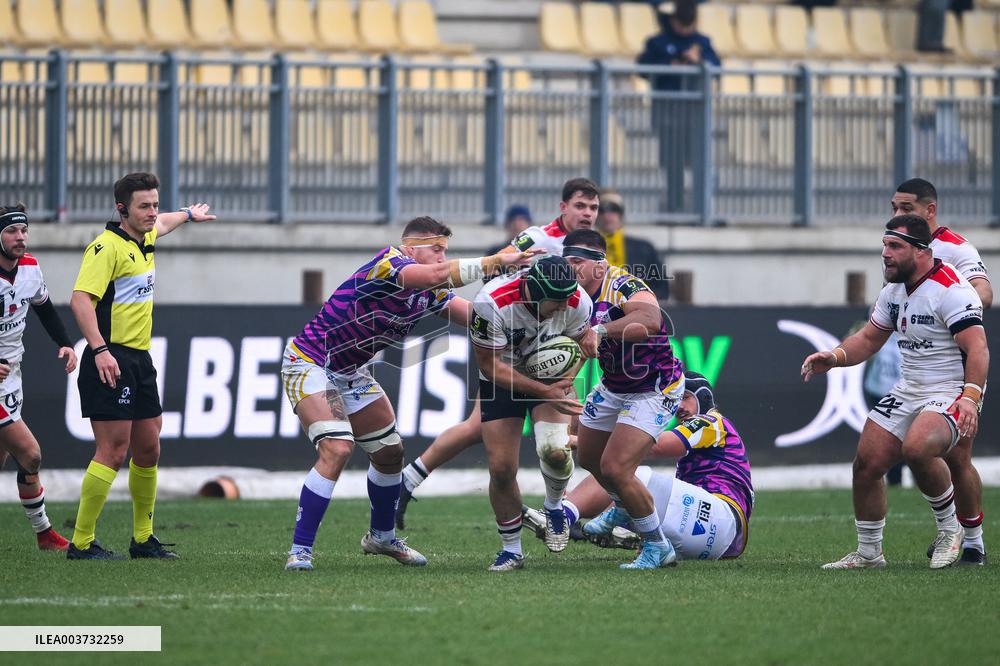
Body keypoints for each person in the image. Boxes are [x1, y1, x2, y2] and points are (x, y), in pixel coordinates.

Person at [281, 216, 538, 572]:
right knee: (337, 448)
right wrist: (494, 261)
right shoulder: (389, 263)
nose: (441, 256)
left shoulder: (429, 292)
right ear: (410, 247)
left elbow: (477, 317)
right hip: (309, 362)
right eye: (436, 248)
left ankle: (382, 537)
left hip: (349, 372)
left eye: (445, 250)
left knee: (390, 453)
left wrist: (530, 324)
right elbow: (437, 275)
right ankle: (300, 550)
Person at [397, 178, 601, 529]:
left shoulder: (589, 247)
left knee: (550, 435)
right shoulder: (538, 238)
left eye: (593, 208)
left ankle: (563, 510)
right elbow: (500, 268)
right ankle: (567, 511)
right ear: (563, 207)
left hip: (551, 337)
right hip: (513, 336)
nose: (587, 213)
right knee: (491, 430)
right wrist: (508, 309)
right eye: (580, 206)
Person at [802, 215, 988, 570]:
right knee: (867, 463)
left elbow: (978, 349)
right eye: (884, 245)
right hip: (910, 387)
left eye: (895, 246)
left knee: (917, 448)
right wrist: (836, 357)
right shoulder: (893, 291)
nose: (885, 253)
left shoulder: (952, 289)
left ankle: (951, 529)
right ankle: (869, 553)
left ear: (921, 251)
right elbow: (869, 338)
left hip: (951, 388)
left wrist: (970, 397)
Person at [68, 172, 216, 560]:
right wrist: (100, 350)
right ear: (122, 209)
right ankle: (81, 542)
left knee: (149, 448)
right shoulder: (106, 248)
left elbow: (165, 223)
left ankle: (142, 539)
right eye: (144, 206)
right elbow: (80, 300)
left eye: (154, 204)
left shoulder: (145, 236)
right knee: (113, 451)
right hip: (110, 357)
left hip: (140, 359)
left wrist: (187, 214)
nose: (152, 213)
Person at [557, 230, 685, 568]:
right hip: (614, 385)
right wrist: (566, 379)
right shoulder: (572, 295)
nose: (571, 269)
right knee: (589, 457)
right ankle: (623, 505)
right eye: (567, 262)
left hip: (654, 387)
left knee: (616, 468)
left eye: (578, 262)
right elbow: (582, 344)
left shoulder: (623, 284)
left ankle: (657, 546)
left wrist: (599, 330)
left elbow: (651, 320)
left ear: (600, 265)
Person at [528, 372, 753, 561]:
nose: (680, 407)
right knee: (627, 485)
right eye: (677, 401)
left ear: (703, 397)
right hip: (714, 541)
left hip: (720, 520)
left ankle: (563, 517)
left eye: (685, 398)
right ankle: (620, 528)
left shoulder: (712, 422)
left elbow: (656, 446)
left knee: (626, 473)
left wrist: (588, 441)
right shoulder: (708, 440)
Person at [472, 255, 598, 571]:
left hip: (552, 376)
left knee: (555, 451)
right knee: (501, 469)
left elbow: (582, 344)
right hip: (502, 378)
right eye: (557, 301)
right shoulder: (490, 303)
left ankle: (554, 507)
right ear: (535, 292)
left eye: (568, 298)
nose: (564, 306)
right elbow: (489, 365)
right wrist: (542, 391)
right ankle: (511, 550)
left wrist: (568, 380)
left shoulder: (577, 300)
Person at [891, 178, 991, 565]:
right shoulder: (900, 243)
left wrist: (950, 303)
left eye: (906, 208)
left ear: (930, 210)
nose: (898, 214)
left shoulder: (955, 248)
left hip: (956, 365)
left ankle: (971, 541)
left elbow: (984, 292)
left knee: (956, 456)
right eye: (894, 208)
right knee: (930, 453)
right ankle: (957, 533)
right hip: (918, 367)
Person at [0, 204, 76, 552]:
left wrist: (65, 343)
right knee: (30, 453)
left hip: (11, 376)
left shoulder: (30, 267)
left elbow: (45, 309)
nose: (20, 237)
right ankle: (45, 533)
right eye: (11, 232)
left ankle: (44, 535)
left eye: (24, 231)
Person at [638, 1, 720, 213]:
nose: (684, 29)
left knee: (700, 160)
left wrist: (699, 60)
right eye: (681, 24)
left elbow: (716, 66)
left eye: (688, 24)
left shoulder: (701, 42)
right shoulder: (658, 43)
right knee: (672, 163)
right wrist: (671, 65)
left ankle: (701, 208)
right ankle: (674, 206)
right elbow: (643, 67)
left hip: (695, 114)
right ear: (673, 21)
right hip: (668, 113)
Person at [596, 190, 670, 301]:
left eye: (614, 209)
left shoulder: (644, 249)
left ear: (621, 215)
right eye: (601, 210)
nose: (607, 215)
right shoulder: (585, 249)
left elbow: (662, 289)